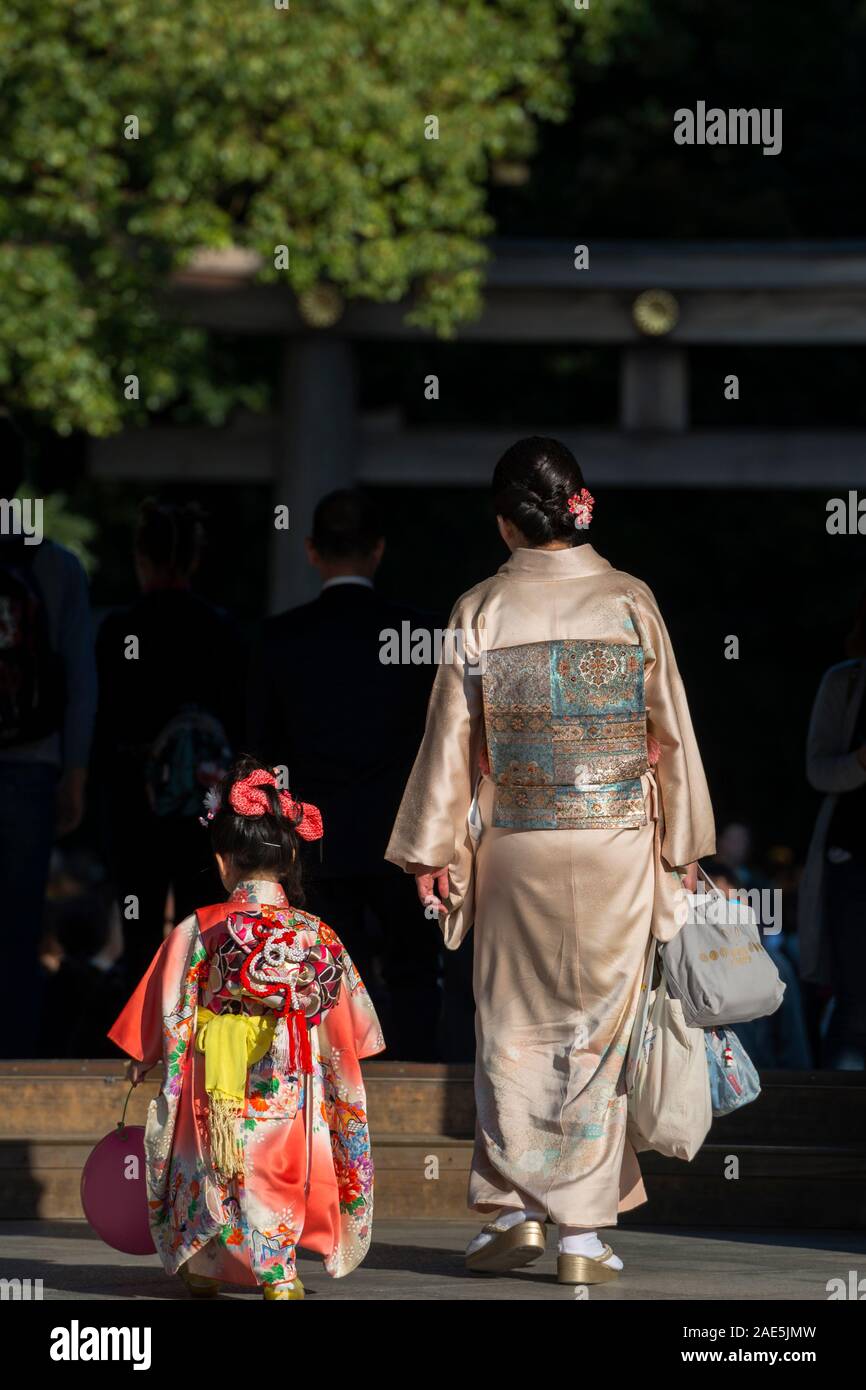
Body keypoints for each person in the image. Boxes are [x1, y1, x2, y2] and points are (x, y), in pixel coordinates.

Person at [386, 437, 715, 1285]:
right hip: (614, 841)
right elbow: (669, 731)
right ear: (581, 505)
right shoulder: (631, 599)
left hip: (520, 841)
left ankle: (517, 1208)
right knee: (599, 1031)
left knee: (513, 1027)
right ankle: (578, 1234)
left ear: (505, 523)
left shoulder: (479, 608)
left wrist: (431, 847)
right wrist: (683, 845)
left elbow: (450, 739)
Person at [108, 757, 384, 1299]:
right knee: (274, 1165)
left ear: (222, 863)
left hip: (214, 1072)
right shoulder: (317, 934)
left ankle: (206, 1262)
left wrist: (151, 1055)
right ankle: (278, 1273)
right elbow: (349, 1028)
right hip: (287, 1074)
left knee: (209, 1161)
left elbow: (170, 1007)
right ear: (289, 860)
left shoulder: (201, 927)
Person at [249, 488, 442, 1060]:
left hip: (314, 833)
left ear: (311, 550)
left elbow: (260, 753)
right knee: (412, 971)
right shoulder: (419, 633)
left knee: (320, 970)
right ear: (378, 550)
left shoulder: (277, 639)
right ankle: (419, 1088)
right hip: (401, 832)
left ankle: (330, 1094)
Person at [95, 500, 242, 986]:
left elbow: (106, 719)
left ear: (141, 556)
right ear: (195, 559)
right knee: (203, 928)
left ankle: (142, 1044)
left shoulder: (121, 627)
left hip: (137, 801)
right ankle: (199, 1040)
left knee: (138, 930)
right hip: (205, 799)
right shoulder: (221, 629)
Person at [0, 415, 97, 1058]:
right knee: (17, 918)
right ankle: (14, 1055)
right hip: (30, 766)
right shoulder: (54, 563)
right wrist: (76, 769)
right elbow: (81, 675)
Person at [800, 589, 866, 1068]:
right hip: (852, 863)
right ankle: (832, 1120)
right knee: (855, 993)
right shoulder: (844, 684)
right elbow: (819, 771)